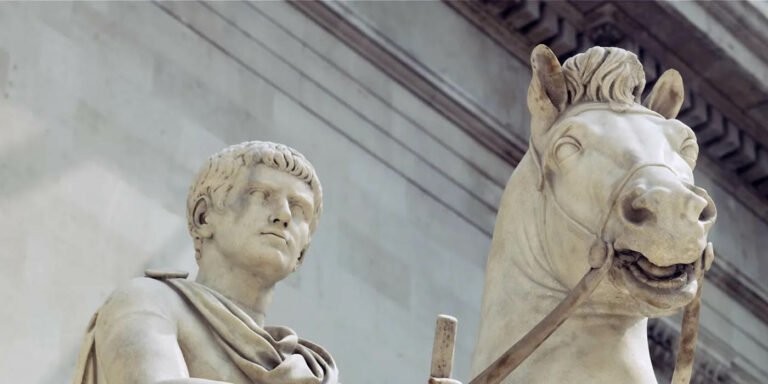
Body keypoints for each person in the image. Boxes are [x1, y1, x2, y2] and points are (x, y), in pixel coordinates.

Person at [73, 141, 339, 384]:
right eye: (261, 194)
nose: (283, 215)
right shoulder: (147, 300)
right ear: (204, 217)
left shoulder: (310, 371)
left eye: (299, 208)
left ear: (302, 254)